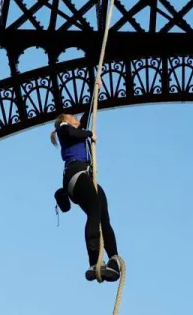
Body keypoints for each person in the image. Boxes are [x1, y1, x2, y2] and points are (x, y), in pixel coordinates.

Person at [51, 111, 123, 282]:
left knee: (103, 217)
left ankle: (113, 259)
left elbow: (86, 117)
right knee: (94, 211)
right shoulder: (64, 129)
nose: (77, 119)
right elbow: (73, 132)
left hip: (87, 176)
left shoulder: (76, 129)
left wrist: (94, 88)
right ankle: (93, 261)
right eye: (73, 118)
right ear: (65, 121)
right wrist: (90, 134)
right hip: (76, 175)